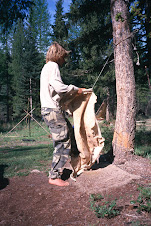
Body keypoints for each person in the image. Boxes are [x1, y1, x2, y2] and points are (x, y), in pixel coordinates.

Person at [40, 42, 83, 187]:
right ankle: (54, 175)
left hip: (50, 109)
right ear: (58, 56)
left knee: (69, 132)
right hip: (52, 110)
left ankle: (78, 160)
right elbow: (59, 88)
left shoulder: (47, 68)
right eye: (63, 57)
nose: (64, 61)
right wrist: (76, 90)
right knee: (63, 142)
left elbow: (54, 91)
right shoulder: (53, 66)